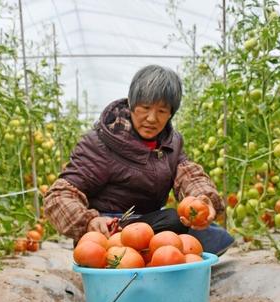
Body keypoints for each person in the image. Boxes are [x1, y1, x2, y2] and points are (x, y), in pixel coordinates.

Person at [43, 65, 235, 256]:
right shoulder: (101, 144)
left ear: (171, 113)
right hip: (109, 231)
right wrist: (88, 221)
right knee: (174, 221)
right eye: (145, 108)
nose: (152, 118)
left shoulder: (170, 142)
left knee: (213, 234)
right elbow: (59, 195)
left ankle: (155, 257)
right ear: (132, 104)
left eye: (162, 111)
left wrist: (203, 199)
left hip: (150, 222)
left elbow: (189, 175)